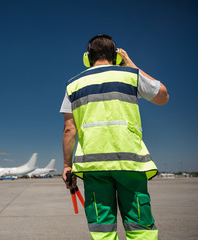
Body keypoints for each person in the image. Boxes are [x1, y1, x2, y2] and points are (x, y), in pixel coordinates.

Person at [60, 34, 169, 240]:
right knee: (140, 226)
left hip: (94, 166)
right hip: (129, 163)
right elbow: (163, 96)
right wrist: (131, 65)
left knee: (102, 228)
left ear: (87, 57)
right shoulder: (129, 76)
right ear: (117, 56)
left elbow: (69, 129)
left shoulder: (73, 85)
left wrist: (67, 165)